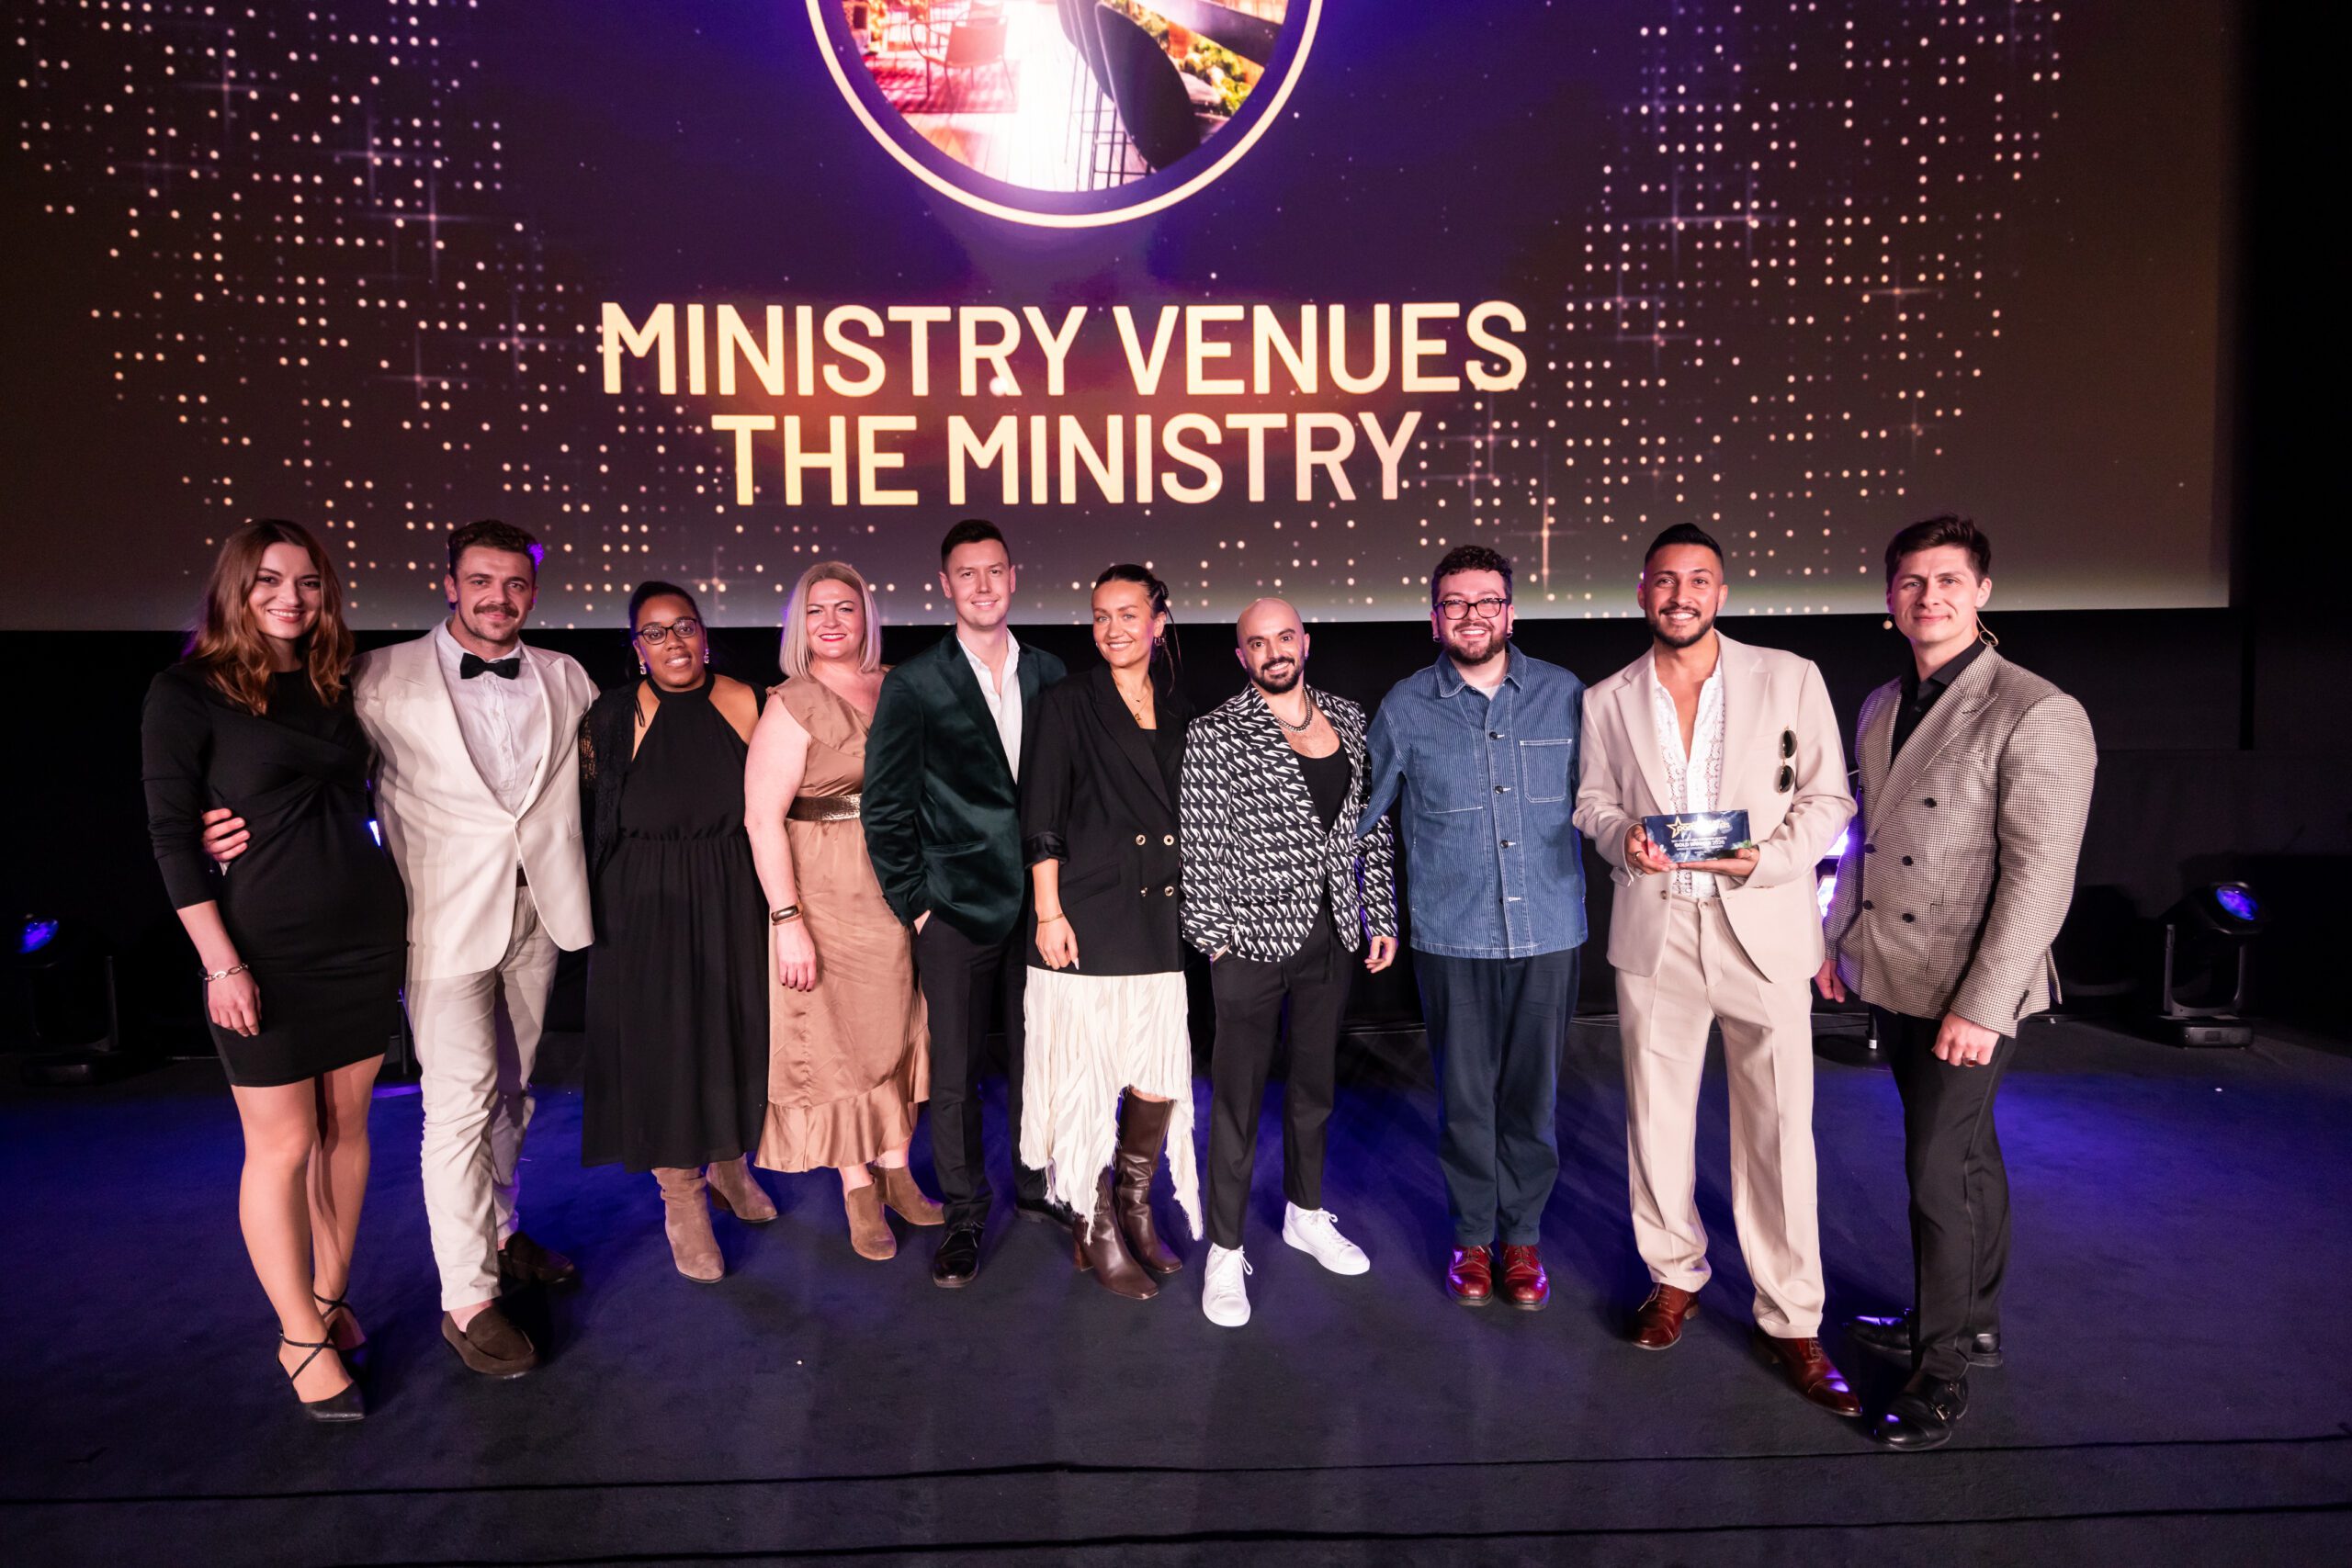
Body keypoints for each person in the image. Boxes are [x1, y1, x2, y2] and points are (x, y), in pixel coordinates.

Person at [211, 520, 599, 1375]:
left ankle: (500, 1232)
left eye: (516, 583)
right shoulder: (375, 677)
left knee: (513, 1093)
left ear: (533, 592)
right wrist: (228, 826)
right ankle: (467, 1297)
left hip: (540, 916)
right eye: (480, 581)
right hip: (438, 923)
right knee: (458, 1106)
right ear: (450, 585)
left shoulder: (568, 675)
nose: (499, 597)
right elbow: (294, 770)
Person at [1820, 514, 2096, 1450]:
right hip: (1899, 969)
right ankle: (1971, 1321)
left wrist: (1983, 1004)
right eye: (1911, 581)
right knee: (1967, 1153)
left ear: (1981, 593)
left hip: (1972, 985)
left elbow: (2040, 877)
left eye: (1947, 580)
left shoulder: (2035, 708)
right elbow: (1865, 835)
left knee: (1935, 1170)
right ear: (1889, 597)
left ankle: (1938, 1370)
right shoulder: (1881, 702)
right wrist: (1835, 937)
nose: (1928, 596)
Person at [1572, 524, 1860, 1419]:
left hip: (1761, 931)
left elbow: (1829, 796)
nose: (1680, 595)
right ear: (1642, 592)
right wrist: (1621, 837)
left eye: (1698, 580)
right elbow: (1591, 802)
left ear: (1721, 593)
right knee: (1655, 1122)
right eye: (1665, 580)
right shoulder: (1606, 698)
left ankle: (1791, 1317)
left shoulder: (1789, 675)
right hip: (1656, 933)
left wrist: (1769, 862)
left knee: (1778, 1130)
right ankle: (1673, 1276)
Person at [143, 520, 407, 1420]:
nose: (289, 598)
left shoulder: (340, 682)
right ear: (234, 588)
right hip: (264, 947)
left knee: (346, 1129)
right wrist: (221, 966)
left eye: (307, 582)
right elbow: (171, 839)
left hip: (364, 932)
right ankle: (298, 1335)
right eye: (267, 580)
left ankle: (330, 1298)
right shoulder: (187, 691)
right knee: (283, 1145)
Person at [1360, 546, 1587, 1314]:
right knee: (1464, 1099)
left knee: (1533, 1096)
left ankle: (1521, 1238)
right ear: (1435, 619)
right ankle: (1471, 1236)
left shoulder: (1564, 694)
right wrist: (1369, 910)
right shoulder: (1405, 706)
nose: (1472, 615)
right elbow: (1363, 820)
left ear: (1509, 612)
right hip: (1451, 934)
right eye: (1454, 603)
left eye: (1487, 601)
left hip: (1548, 929)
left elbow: (1607, 798)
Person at [1180, 597, 1397, 1329]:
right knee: (1236, 1103)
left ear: (1305, 642)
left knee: (1314, 1088)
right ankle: (1225, 1248)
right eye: (1257, 642)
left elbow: (1370, 828)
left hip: (1331, 935)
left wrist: (1380, 914)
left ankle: (1305, 1213)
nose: (1273, 651)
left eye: (1283, 637)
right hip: (1247, 943)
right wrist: (1214, 937)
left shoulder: (1351, 719)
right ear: (1241, 655)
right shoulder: (1216, 732)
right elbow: (1201, 843)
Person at [863, 519, 1069, 1288]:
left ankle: (1035, 1181)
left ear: (1014, 577)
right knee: (954, 1072)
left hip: (1040, 904)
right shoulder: (915, 682)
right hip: (953, 908)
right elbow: (885, 808)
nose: (983, 585)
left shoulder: (1050, 671)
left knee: (1040, 1054)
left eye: (994, 570)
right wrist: (917, 904)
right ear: (945, 585)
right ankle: (964, 1214)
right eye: (967, 573)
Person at [578, 581, 776, 1283]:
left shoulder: (750, 700)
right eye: (656, 632)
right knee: (664, 1046)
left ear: (704, 634)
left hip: (732, 888)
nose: (673, 642)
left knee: (734, 1032)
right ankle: (682, 1197)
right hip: (644, 897)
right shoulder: (610, 714)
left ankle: (729, 1162)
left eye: (684, 626)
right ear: (637, 647)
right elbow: (586, 812)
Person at [744, 560, 941, 1262]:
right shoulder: (790, 702)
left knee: (904, 1025)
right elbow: (762, 819)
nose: (831, 621)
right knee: (837, 1040)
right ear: (800, 624)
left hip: (897, 885)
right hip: (823, 893)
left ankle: (896, 1166)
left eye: (845, 608)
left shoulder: (900, 686)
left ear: (866, 617)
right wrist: (787, 919)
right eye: (816, 610)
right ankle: (858, 1185)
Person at [1020, 565, 1201, 1302]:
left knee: (1156, 1070)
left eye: (1129, 614)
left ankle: (1133, 1203)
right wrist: (1048, 912)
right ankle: (1092, 1219)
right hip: (1086, 911)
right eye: (1101, 615)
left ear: (1159, 622)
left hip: (1158, 912)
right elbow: (1041, 814)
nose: (1113, 628)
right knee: (1086, 1077)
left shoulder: (1181, 708)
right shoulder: (1068, 701)